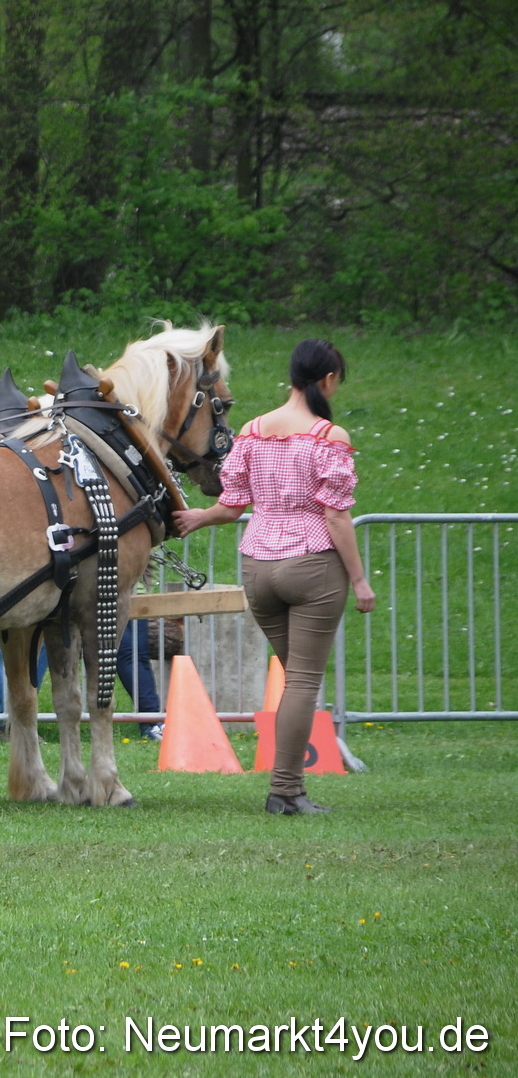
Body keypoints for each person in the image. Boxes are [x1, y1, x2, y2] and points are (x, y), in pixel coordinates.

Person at [175, 339, 376, 815]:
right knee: (304, 680)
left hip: (258, 567)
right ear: (327, 381)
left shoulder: (252, 429)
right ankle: (285, 791)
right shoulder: (330, 436)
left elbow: (233, 504)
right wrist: (361, 581)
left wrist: (199, 518)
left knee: (294, 679)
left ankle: (288, 787)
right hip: (312, 564)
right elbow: (336, 516)